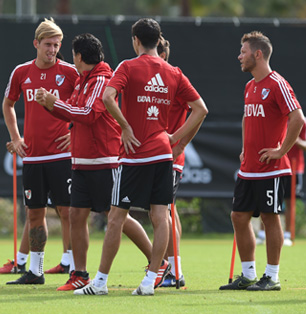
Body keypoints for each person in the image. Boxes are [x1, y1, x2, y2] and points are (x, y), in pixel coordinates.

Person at [75, 18, 208, 296]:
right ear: (158, 41)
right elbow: (201, 109)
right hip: (162, 155)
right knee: (161, 217)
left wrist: (125, 126)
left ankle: (100, 282)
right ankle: (150, 281)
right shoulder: (173, 72)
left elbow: (108, 97)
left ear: (135, 40)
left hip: (134, 155)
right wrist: (174, 138)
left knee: (115, 218)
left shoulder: (128, 66)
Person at [35, 33, 154, 291]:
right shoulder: (82, 80)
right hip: (81, 161)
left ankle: (158, 260)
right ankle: (80, 274)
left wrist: (55, 103)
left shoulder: (101, 79)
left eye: (72, 55)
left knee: (116, 216)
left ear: (78, 56)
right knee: (77, 215)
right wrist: (50, 105)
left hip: (104, 159)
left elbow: (88, 114)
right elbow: (75, 112)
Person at [219, 31, 304, 292]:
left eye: (243, 52)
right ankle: (248, 275)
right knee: (238, 216)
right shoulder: (249, 86)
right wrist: (245, 148)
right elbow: (247, 118)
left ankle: (273, 277)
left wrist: (281, 151)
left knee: (269, 218)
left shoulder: (277, 83)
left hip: (271, 168)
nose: (239, 56)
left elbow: (297, 118)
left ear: (257, 54)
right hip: (249, 169)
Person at [0, 18, 79, 284]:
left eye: (57, 45)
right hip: (33, 156)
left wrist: (73, 131)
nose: (53, 50)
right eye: (48, 44)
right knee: (34, 213)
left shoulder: (70, 72)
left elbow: (89, 102)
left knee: (68, 211)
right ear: (36, 43)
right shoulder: (21, 72)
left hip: (61, 156)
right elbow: (8, 104)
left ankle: (72, 265)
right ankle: (36, 271)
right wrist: (16, 137)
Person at [155, 37, 203, 288]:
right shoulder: (149, 79)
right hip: (152, 155)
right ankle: (170, 268)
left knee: (164, 212)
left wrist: (181, 143)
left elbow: (200, 110)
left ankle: (174, 271)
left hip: (169, 157)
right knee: (165, 212)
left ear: (161, 54)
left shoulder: (174, 77)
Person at [256, 117, 306, 246]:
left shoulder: (303, 121)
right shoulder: (274, 118)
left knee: (290, 201)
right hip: (273, 166)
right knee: (265, 199)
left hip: (294, 168)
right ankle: (262, 234)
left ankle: (287, 235)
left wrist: (294, 139)